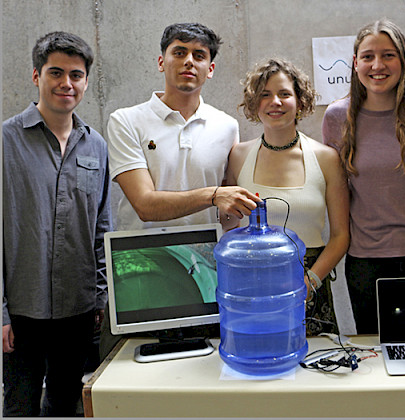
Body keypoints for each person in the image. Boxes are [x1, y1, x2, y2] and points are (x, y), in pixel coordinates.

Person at [101, 23, 260, 358]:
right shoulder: (126, 121)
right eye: (179, 52)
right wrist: (213, 194)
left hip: (206, 276)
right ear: (162, 62)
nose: (189, 61)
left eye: (199, 55)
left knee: (206, 381)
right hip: (144, 268)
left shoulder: (226, 126)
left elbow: (229, 211)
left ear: (210, 69)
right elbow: (145, 205)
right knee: (134, 387)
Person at [2, 31, 111, 417]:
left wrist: (99, 296)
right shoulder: (5, 141)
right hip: (21, 308)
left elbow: (101, 225)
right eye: (56, 73)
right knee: (20, 406)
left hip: (78, 308)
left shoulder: (96, 145)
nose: (67, 84)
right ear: (36, 76)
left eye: (77, 75)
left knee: (67, 404)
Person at [322, 20, 405, 334]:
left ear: (404, 61)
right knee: (379, 364)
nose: (377, 65)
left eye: (388, 55)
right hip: (368, 264)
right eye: (368, 56)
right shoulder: (337, 117)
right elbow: (337, 192)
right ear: (355, 63)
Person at [226, 58, 350, 335]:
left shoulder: (326, 158)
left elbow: (341, 235)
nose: (275, 102)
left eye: (284, 94)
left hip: (310, 283)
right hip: (253, 282)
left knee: (317, 367)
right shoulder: (238, 156)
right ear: (253, 103)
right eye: (265, 95)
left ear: (300, 100)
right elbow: (229, 224)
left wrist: (311, 282)